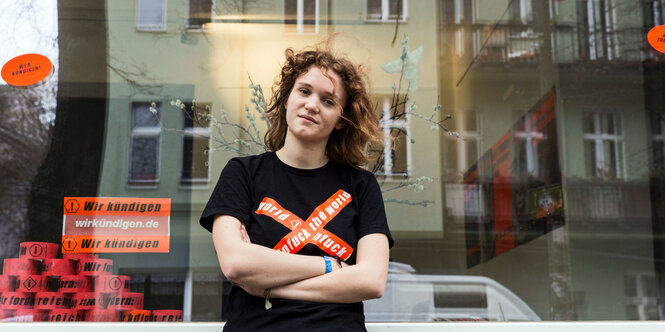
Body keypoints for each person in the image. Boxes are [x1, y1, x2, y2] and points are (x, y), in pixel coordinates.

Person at [200, 46, 394, 331]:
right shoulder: (243, 174)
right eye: (304, 91)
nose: (313, 104)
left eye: (328, 101)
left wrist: (268, 287)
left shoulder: (361, 186)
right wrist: (330, 266)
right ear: (287, 99)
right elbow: (236, 263)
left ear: (340, 120)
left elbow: (371, 280)